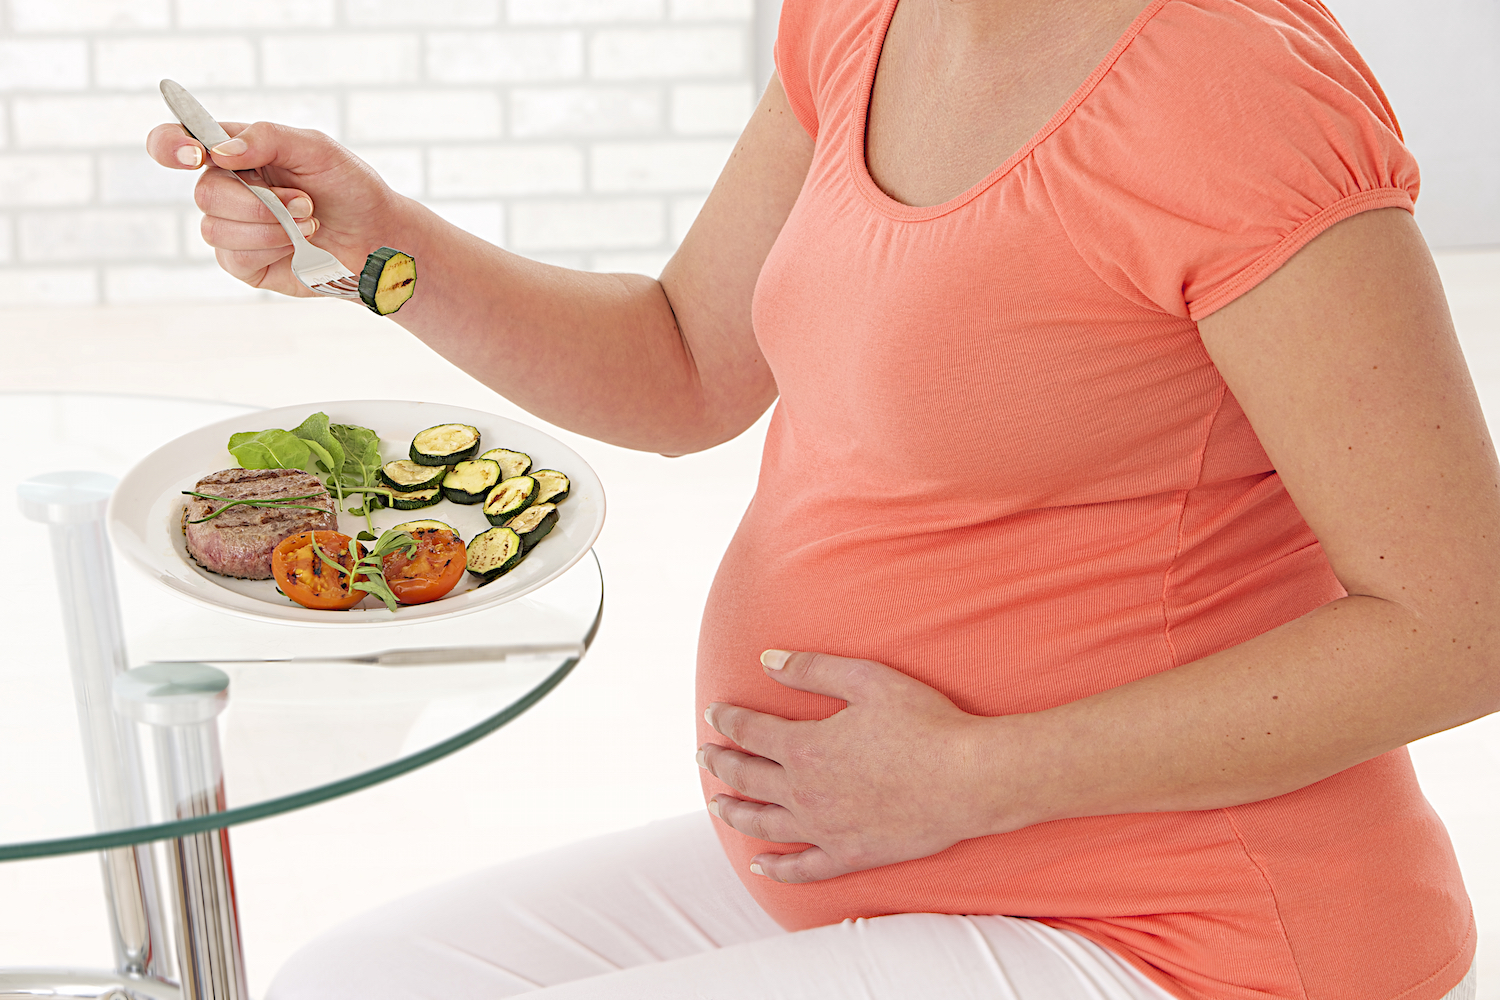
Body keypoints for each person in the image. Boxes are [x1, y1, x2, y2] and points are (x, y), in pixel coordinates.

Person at [147, 0, 1495, 996]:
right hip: (876, 863)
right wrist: (382, 244)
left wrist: (972, 774)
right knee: (352, 981)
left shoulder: (1238, 94)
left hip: (1182, 935)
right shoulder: (868, 15)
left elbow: (1460, 624)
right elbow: (684, 364)